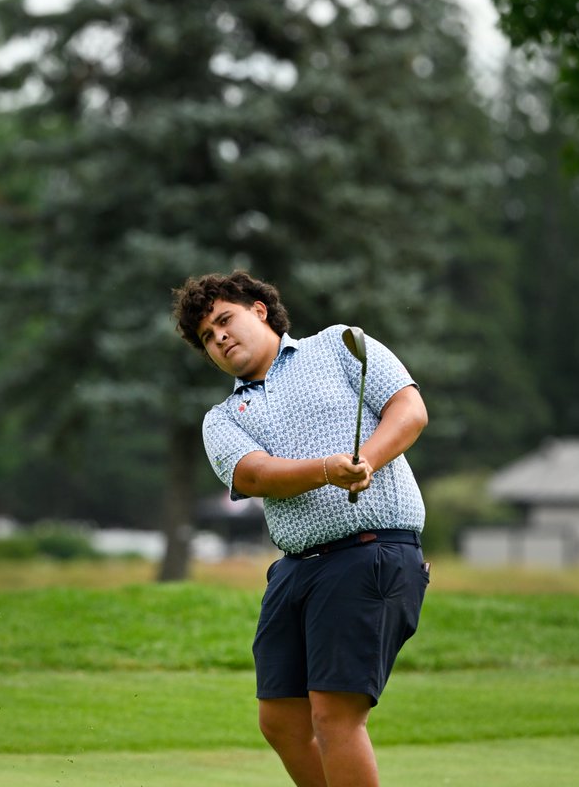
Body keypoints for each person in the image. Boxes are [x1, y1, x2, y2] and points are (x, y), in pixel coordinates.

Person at [171, 270, 429, 787]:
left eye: (225, 320)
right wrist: (328, 470)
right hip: (295, 569)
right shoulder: (223, 417)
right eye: (207, 336)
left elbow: (410, 409)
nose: (219, 337)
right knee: (281, 721)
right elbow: (254, 474)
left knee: (334, 714)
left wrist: (367, 461)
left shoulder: (339, 345)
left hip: (370, 551)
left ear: (259, 310)